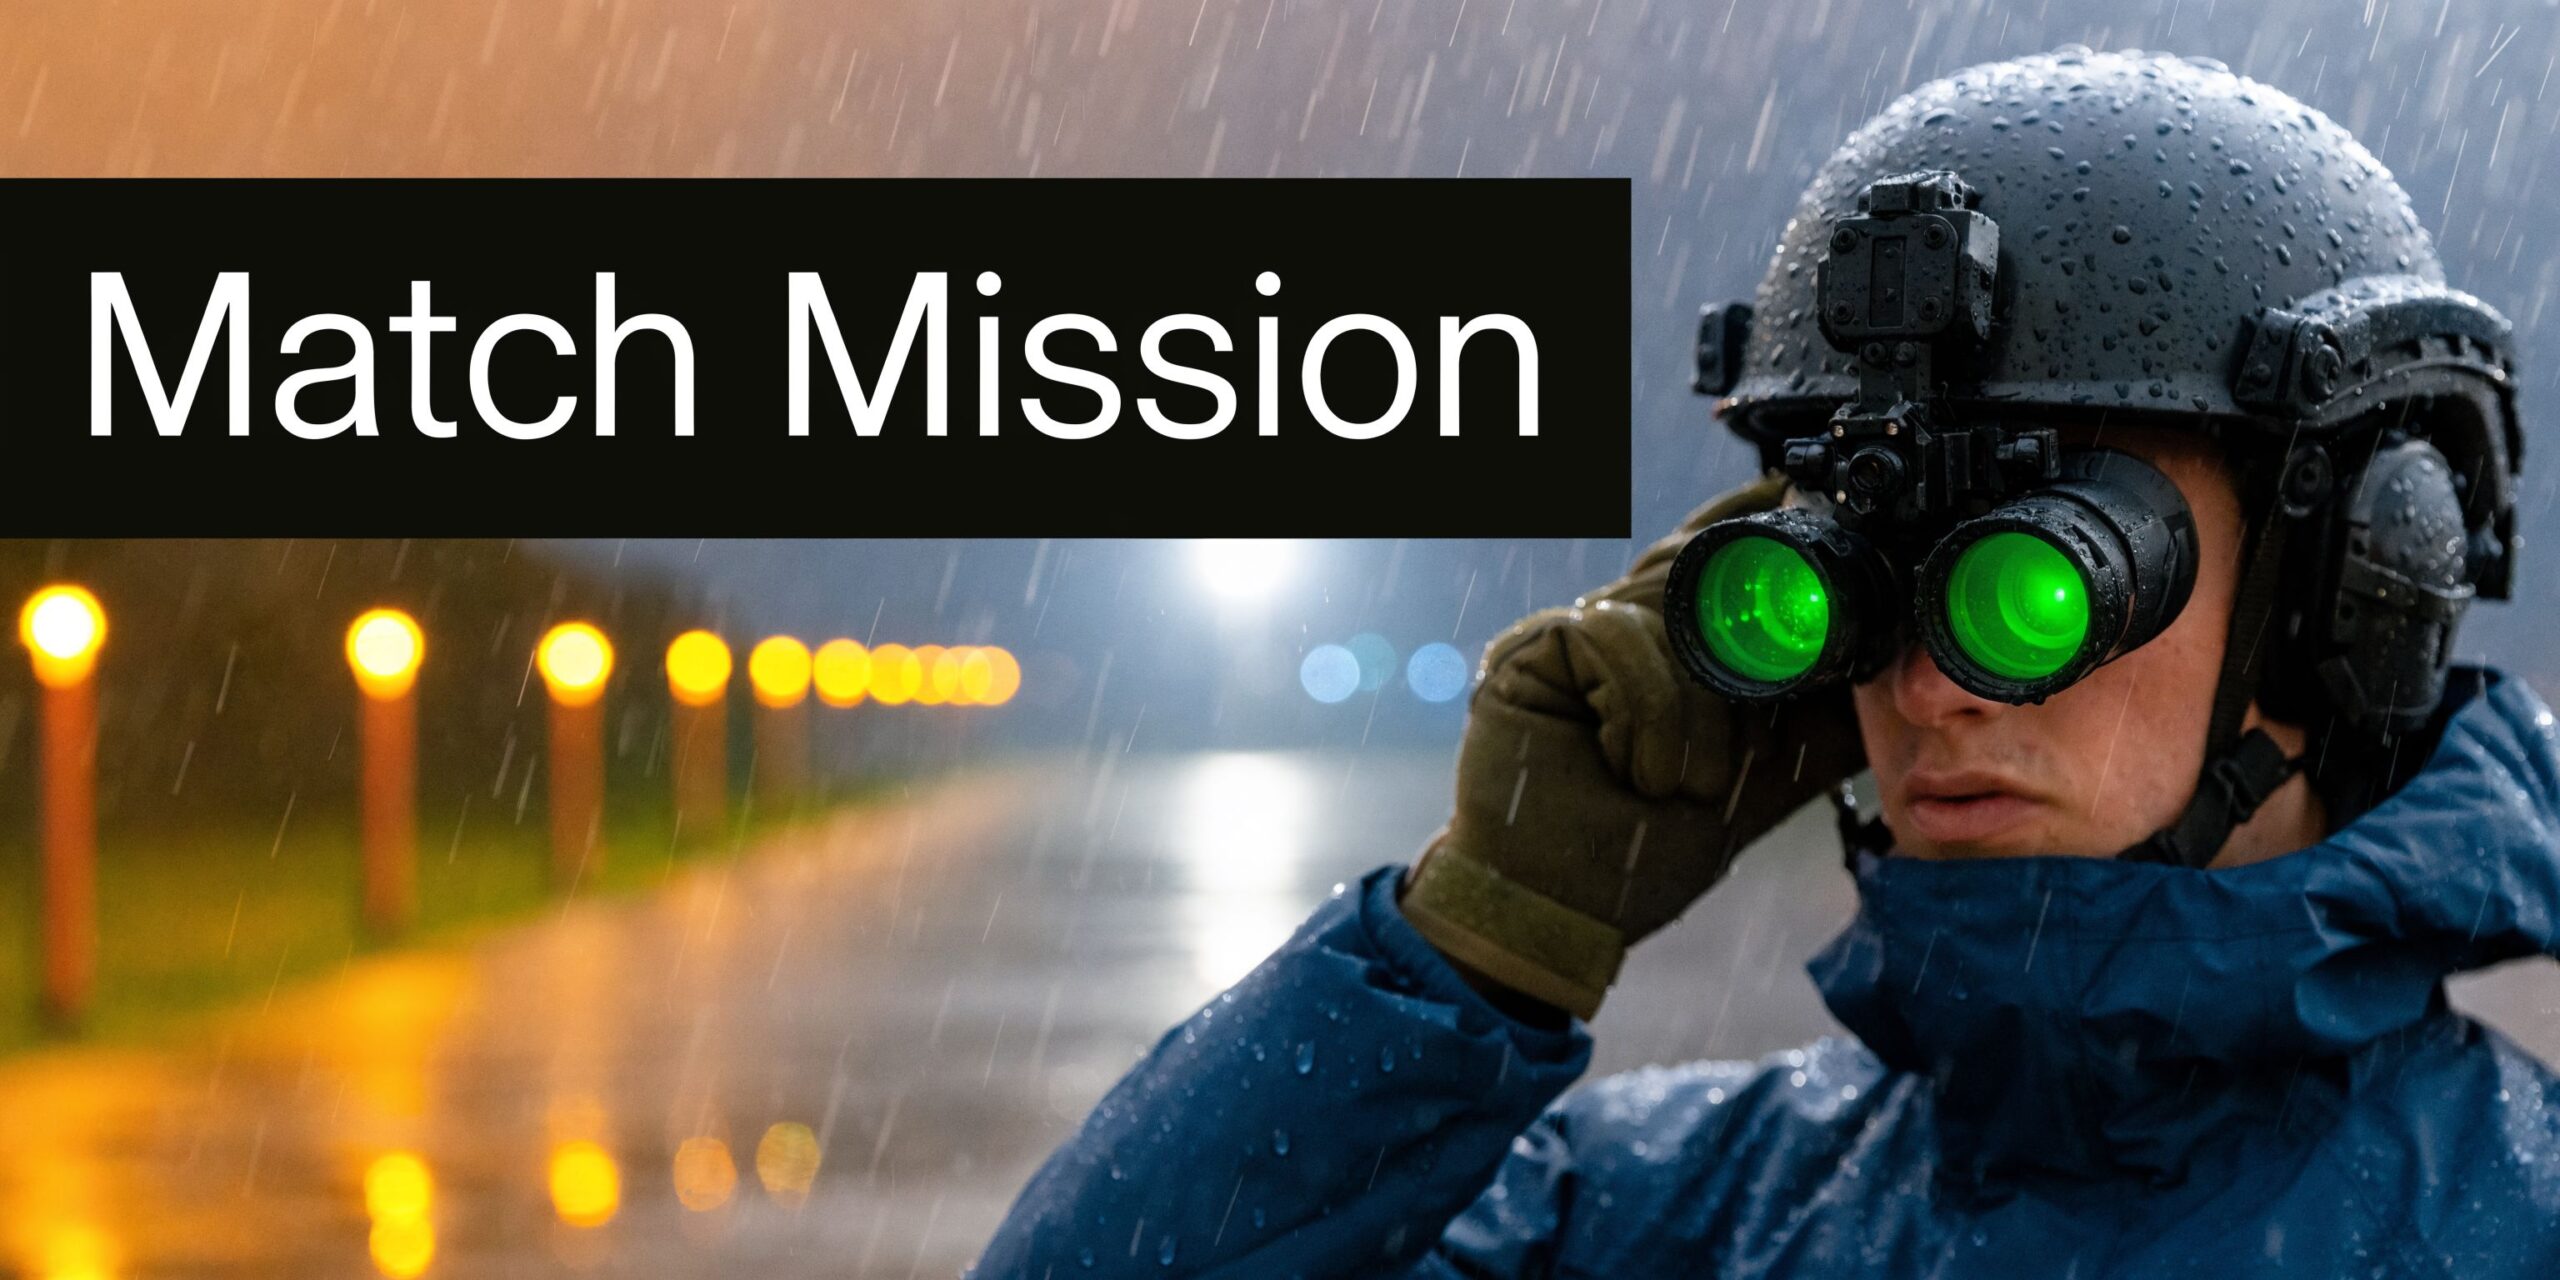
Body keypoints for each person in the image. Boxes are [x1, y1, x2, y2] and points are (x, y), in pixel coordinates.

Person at [974, 48, 2560, 1277]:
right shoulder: (1656, 1213)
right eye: (1872, 582)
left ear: (2350, 596)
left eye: (2035, 587)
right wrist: (1481, 939)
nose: (1928, 689)